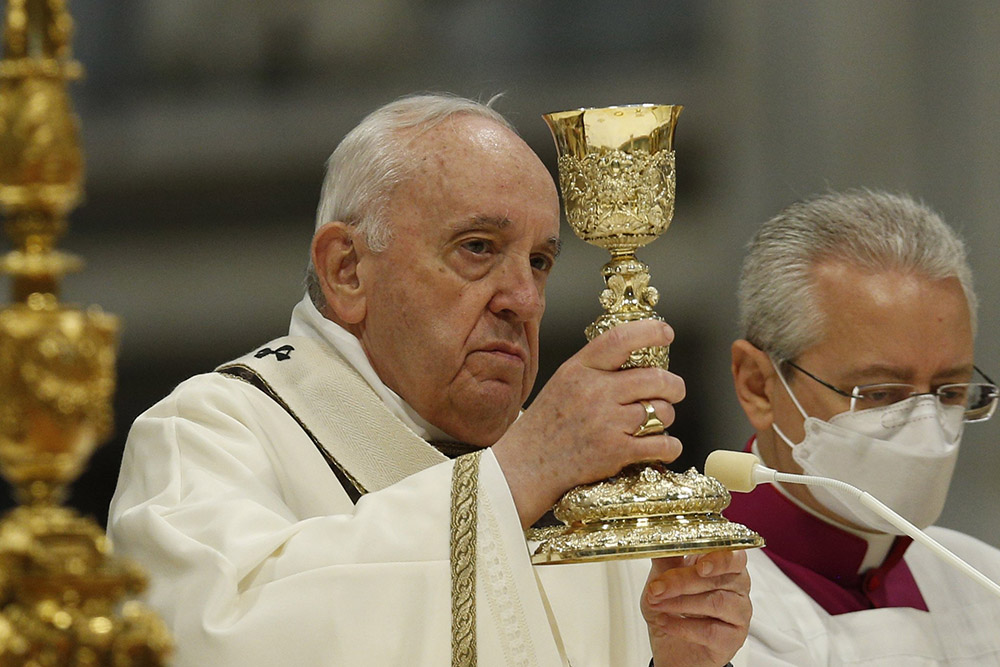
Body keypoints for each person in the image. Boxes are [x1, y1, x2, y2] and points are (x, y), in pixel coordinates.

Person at [108, 93, 751, 666]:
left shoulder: (581, 485)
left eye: (540, 261)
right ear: (347, 269)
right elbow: (213, 641)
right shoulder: (206, 436)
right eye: (477, 248)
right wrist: (519, 474)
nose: (524, 299)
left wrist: (678, 664)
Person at [723, 189, 1000, 665]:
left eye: (950, 393)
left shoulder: (985, 582)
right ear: (759, 386)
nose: (926, 433)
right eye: (879, 394)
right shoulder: (676, 604)